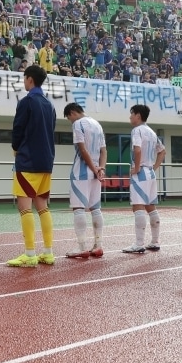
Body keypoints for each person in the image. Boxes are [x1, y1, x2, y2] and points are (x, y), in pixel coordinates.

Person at [6, 65, 57, 267]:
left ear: (29, 79)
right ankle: (48, 252)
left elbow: (17, 130)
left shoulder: (26, 102)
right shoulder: (50, 105)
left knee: (24, 207)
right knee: (43, 207)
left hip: (27, 160)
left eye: (24, 78)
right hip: (46, 161)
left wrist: (16, 148)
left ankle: (29, 254)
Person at [62, 102, 107, 259]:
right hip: (96, 171)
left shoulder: (78, 124)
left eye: (69, 118)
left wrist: (94, 169)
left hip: (81, 171)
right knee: (95, 208)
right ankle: (98, 245)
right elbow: (103, 150)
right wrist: (100, 168)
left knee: (79, 208)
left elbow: (82, 149)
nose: (71, 121)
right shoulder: (97, 124)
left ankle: (82, 246)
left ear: (72, 112)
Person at [122, 104, 166, 253]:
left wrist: (136, 168)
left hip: (140, 172)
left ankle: (139, 244)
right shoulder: (152, 132)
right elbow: (162, 151)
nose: (130, 117)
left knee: (138, 206)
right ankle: (154, 241)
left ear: (138, 115)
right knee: (151, 206)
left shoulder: (137, 130)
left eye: (131, 114)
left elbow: (137, 149)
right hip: (150, 173)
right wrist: (154, 167)